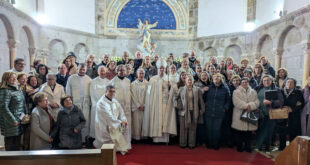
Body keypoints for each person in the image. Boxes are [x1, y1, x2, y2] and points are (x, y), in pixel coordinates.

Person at [144, 59, 177, 143]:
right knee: (156, 120)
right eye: (160, 68)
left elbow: (175, 91)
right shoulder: (152, 79)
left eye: (163, 68)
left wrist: (171, 86)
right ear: (157, 69)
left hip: (166, 103)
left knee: (165, 120)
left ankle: (165, 139)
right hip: (156, 103)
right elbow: (148, 92)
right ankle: (156, 139)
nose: (161, 70)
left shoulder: (169, 78)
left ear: (165, 69)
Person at [93, 85, 129, 154]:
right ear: (106, 92)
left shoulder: (115, 101)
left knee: (120, 129)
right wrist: (119, 123)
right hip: (105, 125)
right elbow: (108, 117)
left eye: (113, 91)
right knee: (110, 136)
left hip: (114, 123)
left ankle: (117, 148)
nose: (112, 93)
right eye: (110, 91)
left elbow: (121, 112)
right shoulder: (101, 103)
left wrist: (123, 119)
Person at [255, 75, 284, 154]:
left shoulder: (276, 90)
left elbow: (281, 102)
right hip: (259, 113)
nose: (266, 82)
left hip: (270, 114)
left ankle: (267, 148)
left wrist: (271, 102)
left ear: (272, 81)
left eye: (268, 80)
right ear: (262, 81)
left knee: (269, 131)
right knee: (260, 130)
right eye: (264, 80)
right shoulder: (258, 88)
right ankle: (259, 146)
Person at [0, 71, 28, 151]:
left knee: (18, 146)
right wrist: (13, 120)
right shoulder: (4, 90)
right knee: (11, 148)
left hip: (19, 121)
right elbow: (3, 108)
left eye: (15, 77)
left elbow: (23, 104)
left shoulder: (17, 89)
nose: (15, 79)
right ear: (6, 79)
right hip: (10, 123)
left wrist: (25, 116)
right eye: (12, 77)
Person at [176, 76, 205, 149]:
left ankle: (191, 144)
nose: (189, 81)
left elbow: (201, 100)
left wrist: (202, 108)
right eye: (188, 80)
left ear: (193, 81)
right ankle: (183, 143)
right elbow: (176, 98)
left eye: (191, 80)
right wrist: (179, 104)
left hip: (194, 111)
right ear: (185, 81)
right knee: (183, 128)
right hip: (184, 112)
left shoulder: (197, 89)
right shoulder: (181, 89)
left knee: (193, 128)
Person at [232, 77, 259, 152]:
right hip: (239, 114)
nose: (244, 83)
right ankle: (239, 147)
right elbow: (236, 102)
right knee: (239, 132)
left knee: (249, 133)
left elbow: (257, 101)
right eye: (243, 82)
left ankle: (248, 147)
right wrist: (247, 106)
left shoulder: (253, 91)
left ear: (248, 83)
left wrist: (251, 106)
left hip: (251, 113)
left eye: (246, 82)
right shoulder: (236, 92)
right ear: (240, 83)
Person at [204, 73, 231, 150]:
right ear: (212, 79)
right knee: (209, 129)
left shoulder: (225, 88)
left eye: (218, 77)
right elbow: (203, 98)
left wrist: (225, 108)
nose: (216, 78)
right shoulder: (209, 88)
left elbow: (228, 100)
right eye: (215, 77)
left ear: (221, 78)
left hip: (220, 112)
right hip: (208, 111)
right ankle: (209, 144)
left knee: (217, 129)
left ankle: (216, 144)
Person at [66, 64, 92, 143]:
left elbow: (91, 92)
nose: (82, 71)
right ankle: (76, 140)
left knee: (86, 121)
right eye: (80, 69)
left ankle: (84, 140)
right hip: (75, 103)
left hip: (86, 104)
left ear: (86, 70)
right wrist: (69, 102)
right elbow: (68, 91)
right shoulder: (71, 78)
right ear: (77, 69)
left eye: (84, 69)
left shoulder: (89, 79)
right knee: (76, 122)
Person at [278, 78, 304, 150]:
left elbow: (301, 104)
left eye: (291, 83)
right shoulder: (280, 91)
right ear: (285, 83)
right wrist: (284, 107)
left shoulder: (298, 92)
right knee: (282, 133)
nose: (289, 84)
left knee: (293, 133)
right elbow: (277, 102)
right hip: (282, 116)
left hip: (293, 116)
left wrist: (292, 109)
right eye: (288, 82)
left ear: (294, 85)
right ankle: (282, 148)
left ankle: (292, 149)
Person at [109, 65, 132, 149]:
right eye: (120, 70)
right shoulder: (112, 81)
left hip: (127, 107)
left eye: (123, 70)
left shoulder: (128, 81)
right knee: (118, 126)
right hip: (117, 108)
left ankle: (127, 144)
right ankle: (118, 145)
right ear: (116, 71)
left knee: (127, 125)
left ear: (126, 71)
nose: (122, 72)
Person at [89, 66, 109, 138]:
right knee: (96, 122)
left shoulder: (108, 82)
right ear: (98, 72)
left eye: (104, 71)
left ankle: (104, 137)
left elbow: (110, 94)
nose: (103, 72)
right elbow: (93, 93)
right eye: (101, 71)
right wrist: (99, 103)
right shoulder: (93, 81)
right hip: (96, 105)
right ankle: (95, 138)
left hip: (106, 106)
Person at [131, 69, 148, 140]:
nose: (141, 75)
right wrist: (138, 105)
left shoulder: (148, 84)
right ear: (137, 74)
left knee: (145, 121)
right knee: (136, 122)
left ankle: (144, 137)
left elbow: (148, 95)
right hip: (136, 107)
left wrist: (144, 104)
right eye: (140, 73)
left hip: (145, 106)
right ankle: (136, 137)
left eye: (142, 73)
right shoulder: (133, 84)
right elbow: (132, 96)